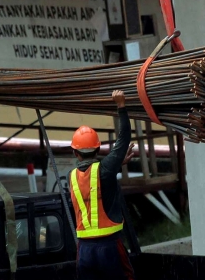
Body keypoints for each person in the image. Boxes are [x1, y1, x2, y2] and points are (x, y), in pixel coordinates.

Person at [69, 90, 135, 280]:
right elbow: (123, 139)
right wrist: (121, 106)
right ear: (98, 149)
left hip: (84, 251)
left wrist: (116, 165)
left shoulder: (71, 176)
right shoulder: (105, 169)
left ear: (75, 153)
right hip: (109, 247)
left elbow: (93, 181)